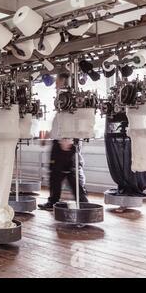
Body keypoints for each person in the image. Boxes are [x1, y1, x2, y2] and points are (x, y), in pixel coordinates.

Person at [38, 73, 89, 211]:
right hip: (58, 142)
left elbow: (75, 121)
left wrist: (69, 140)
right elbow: (58, 123)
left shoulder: (70, 100)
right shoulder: (61, 102)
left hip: (66, 144)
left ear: (65, 82)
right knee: (55, 174)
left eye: (57, 82)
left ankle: (83, 203)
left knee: (72, 174)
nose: (55, 85)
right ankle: (53, 201)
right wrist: (48, 136)